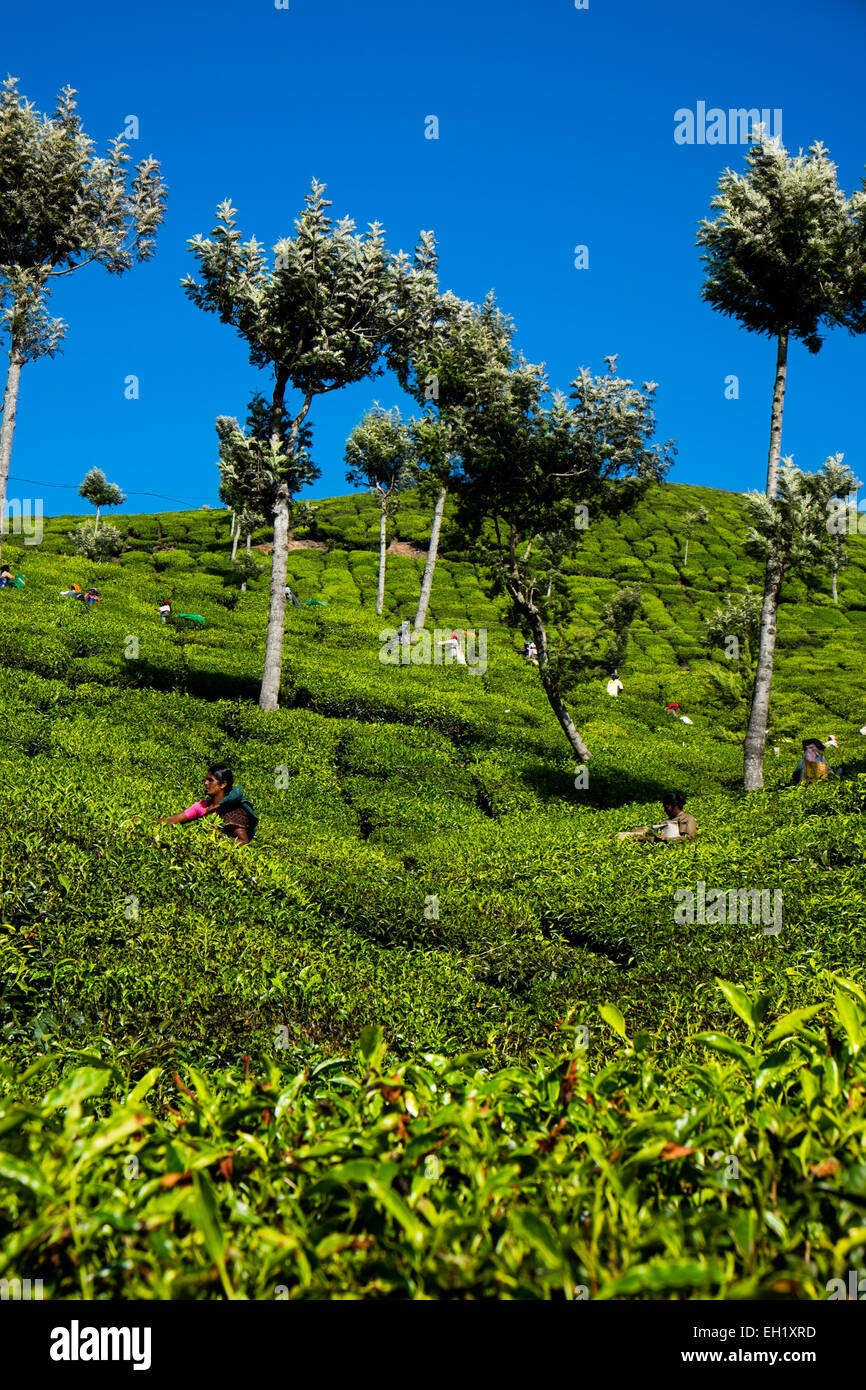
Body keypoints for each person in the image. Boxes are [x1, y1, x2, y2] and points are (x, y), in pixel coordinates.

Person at [155, 763, 258, 845]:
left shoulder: (233, 809)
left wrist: (219, 836)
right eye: (206, 779)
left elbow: (244, 841)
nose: (205, 783)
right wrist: (147, 822)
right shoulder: (202, 806)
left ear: (222, 784)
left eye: (210, 780)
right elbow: (173, 820)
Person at [618, 790, 697, 844]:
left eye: (666, 807)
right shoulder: (670, 819)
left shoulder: (686, 818)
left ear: (674, 806)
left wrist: (666, 839)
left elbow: (688, 838)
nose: (665, 810)